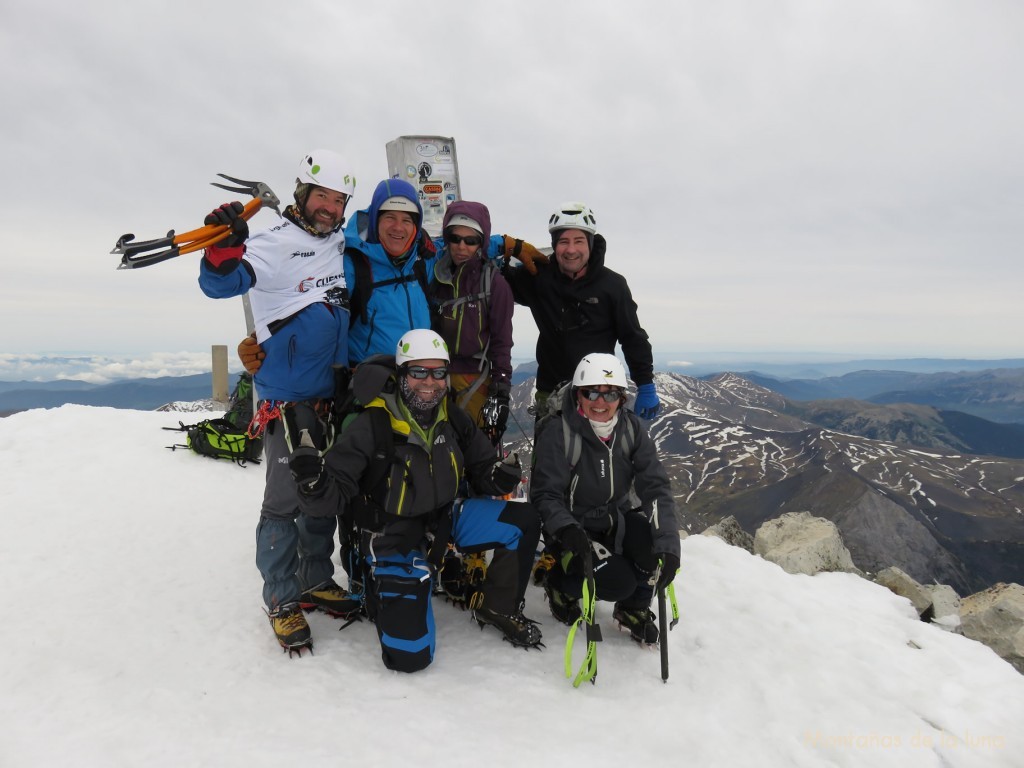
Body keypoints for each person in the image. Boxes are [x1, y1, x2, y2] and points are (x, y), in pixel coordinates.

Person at [288, 329, 544, 672]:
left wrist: (499, 475)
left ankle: (499, 606)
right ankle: (383, 587)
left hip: (444, 521)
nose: (431, 382)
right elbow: (330, 499)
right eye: (419, 371)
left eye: (439, 372)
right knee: (410, 657)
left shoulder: (452, 417)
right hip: (392, 536)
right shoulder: (372, 426)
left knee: (522, 521)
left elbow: (482, 467)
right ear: (402, 374)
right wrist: (312, 483)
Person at [198, 149, 361, 652]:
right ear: (302, 195)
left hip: (333, 394)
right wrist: (222, 244)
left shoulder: (341, 243)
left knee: (322, 497)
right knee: (285, 501)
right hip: (288, 399)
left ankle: (314, 579)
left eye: (338, 200)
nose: (330, 208)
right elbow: (219, 283)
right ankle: (281, 597)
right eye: (322, 197)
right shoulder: (271, 244)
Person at [529, 353, 680, 644]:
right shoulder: (559, 432)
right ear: (578, 395)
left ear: (621, 398)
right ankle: (559, 585)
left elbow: (656, 488)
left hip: (615, 521)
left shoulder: (631, 429)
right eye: (592, 392)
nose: (601, 402)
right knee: (619, 582)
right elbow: (545, 494)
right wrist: (566, 529)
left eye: (610, 393)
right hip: (571, 530)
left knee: (653, 551)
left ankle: (632, 610)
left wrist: (670, 546)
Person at [499, 202, 661, 420]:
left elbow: (632, 337)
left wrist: (645, 384)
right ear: (554, 246)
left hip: (599, 393)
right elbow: (495, 280)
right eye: (563, 241)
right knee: (549, 453)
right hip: (551, 392)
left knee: (598, 454)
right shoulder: (538, 279)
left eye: (579, 241)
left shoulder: (612, 285)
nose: (571, 249)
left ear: (590, 244)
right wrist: (503, 246)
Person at [429, 200, 515, 446]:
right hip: (435, 378)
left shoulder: (494, 285)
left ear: (482, 242)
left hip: (476, 380)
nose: (461, 247)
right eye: (454, 238)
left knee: (475, 450)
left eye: (471, 240)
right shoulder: (434, 275)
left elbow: (502, 341)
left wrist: (500, 393)